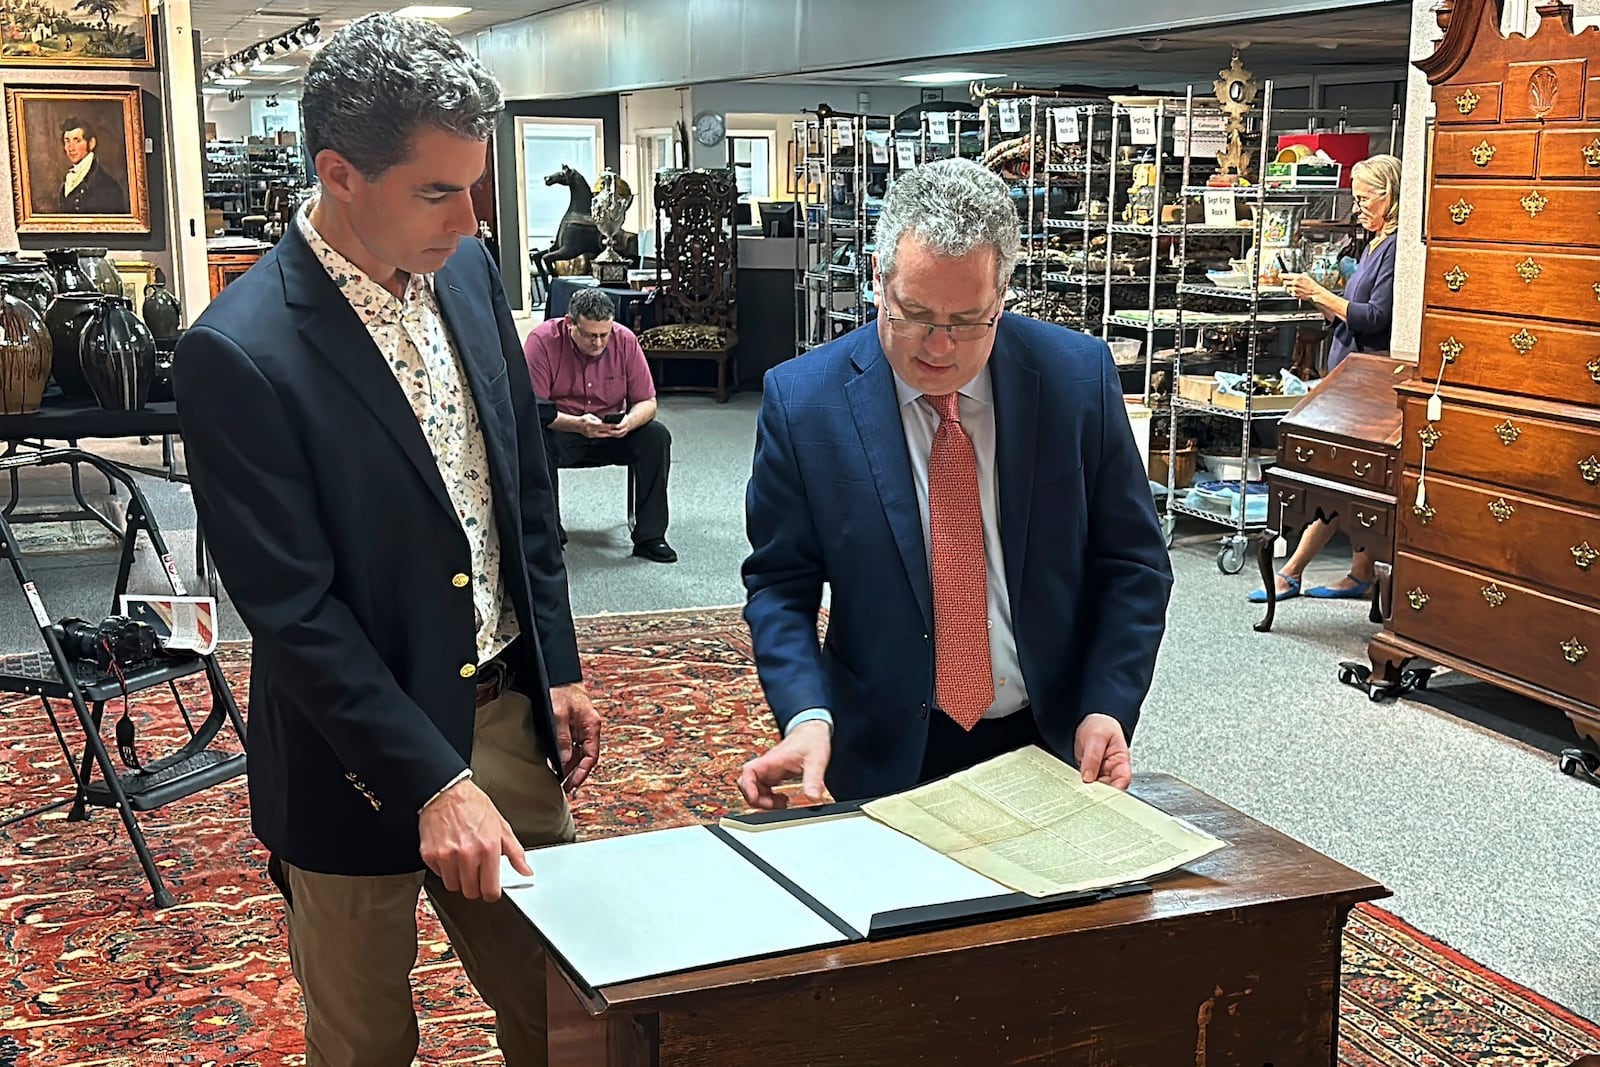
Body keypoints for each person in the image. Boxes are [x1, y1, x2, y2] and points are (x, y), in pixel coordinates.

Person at [172, 15, 601, 1067]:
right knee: (366, 1039)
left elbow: (520, 490)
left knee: (569, 1015)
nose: (470, 218)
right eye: (436, 190)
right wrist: (428, 779)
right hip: (347, 751)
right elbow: (292, 608)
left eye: (475, 186)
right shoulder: (239, 352)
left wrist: (560, 662)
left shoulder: (464, 273)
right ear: (339, 173)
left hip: (506, 711)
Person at [737, 158, 1174, 808]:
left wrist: (1107, 704)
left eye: (969, 321)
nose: (939, 346)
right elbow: (780, 584)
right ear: (879, 282)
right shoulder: (804, 403)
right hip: (882, 745)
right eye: (914, 313)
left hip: (1049, 737)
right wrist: (807, 714)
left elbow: (1133, 563)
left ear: (1002, 296)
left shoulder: (1076, 380)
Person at [1253, 154, 1402, 603]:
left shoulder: (1398, 250)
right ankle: (1360, 573)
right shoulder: (1373, 244)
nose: (1357, 209)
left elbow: (1376, 317)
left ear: (1390, 198)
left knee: (1336, 475)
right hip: (1348, 371)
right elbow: (1350, 313)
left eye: (1363, 199)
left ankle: (1293, 569)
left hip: (1368, 382)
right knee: (1353, 481)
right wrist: (1315, 298)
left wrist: (1322, 295)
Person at [523, 286, 676, 563]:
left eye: (604, 335)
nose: (598, 343)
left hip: (611, 431)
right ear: (570, 324)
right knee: (533, 440)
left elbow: (648, 402)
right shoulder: (542, 341)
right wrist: (578, 425)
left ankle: (650, 536)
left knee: (656, 436)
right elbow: (532, 409)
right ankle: (549, 535)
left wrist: (629, 423)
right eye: (590, 335)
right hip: (563, 429)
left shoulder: (625, 340)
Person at [56, 117, 127, 215]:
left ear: (91, 143)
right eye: (67, 141)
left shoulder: (108, 187)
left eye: (77, 141)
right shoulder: (69, 179)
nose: (71, 148)